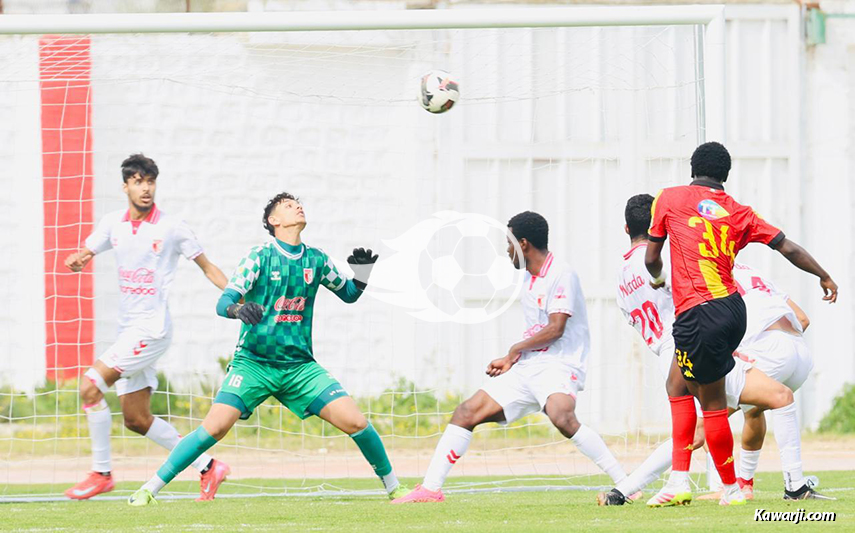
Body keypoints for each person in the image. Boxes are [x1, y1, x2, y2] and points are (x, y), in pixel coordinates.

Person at [128, 192, 406, 505]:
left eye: (298, 203)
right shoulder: (259, 256)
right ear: (274, 221)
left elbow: (350, 294)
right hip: (254, 364)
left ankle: (395, 489)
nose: (298, 206)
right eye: (288, 205)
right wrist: (238, 311)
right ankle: (149, 489)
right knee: (214, 427)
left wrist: (363, 275)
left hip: (299, 367)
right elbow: (224, 302)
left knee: (356, 421)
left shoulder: (316, 259)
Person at [644, 142, 838, 506]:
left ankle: (727, 488)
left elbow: (652, 257)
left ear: (692, 168)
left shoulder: (668, 198)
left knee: (711, 401)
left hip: (699, 310)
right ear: (725, 176)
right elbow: (788, 248)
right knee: (677, 382)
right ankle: (680, 479)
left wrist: (657, 280)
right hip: (734, 311)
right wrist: (824, 275)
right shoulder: (738, 211)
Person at [393, 211, 627, 504]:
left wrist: (514, 350)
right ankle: (430, 489)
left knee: (562, 417)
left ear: (524, 244)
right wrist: (515, 357)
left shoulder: (561, 274)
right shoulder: (529, 279)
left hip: (560, 363)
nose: (507, 251)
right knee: (466, 412)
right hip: (528, 367)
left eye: (509, 244)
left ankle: (625, 483)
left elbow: (556, 328)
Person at [63, 154, 231, 501]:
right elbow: (86, 251)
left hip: (151, 330)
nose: (146, 188)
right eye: (138, 181)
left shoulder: (171, 227)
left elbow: (207, 266)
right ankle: (208, 466)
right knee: (136, 419)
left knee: (90, 387)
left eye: (150, 181)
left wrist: (237, 299)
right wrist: (78, 259)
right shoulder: (114, 223)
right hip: (129, 332)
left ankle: (101, 472)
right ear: (126, 186)